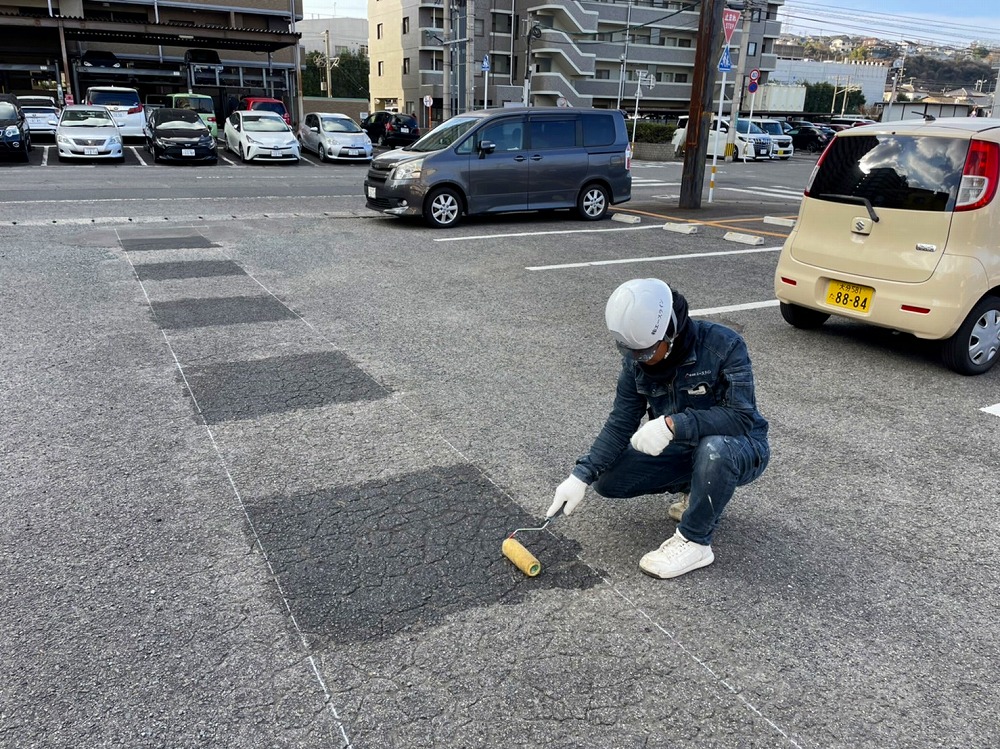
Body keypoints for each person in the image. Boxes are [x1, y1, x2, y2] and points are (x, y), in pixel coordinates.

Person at [546, 278, 770, 579]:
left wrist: (673, 424)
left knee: (714, 450)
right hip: (686, 447)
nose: (637, 359)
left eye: (644, 352)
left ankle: (695, 541)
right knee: (609, 481)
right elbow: (620, 422)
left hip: (741, 447)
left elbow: (741, 417)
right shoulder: (636, 362)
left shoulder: (723, 345)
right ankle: (697, 491)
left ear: (671, 333)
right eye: (629, 351)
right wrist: (581, 475)